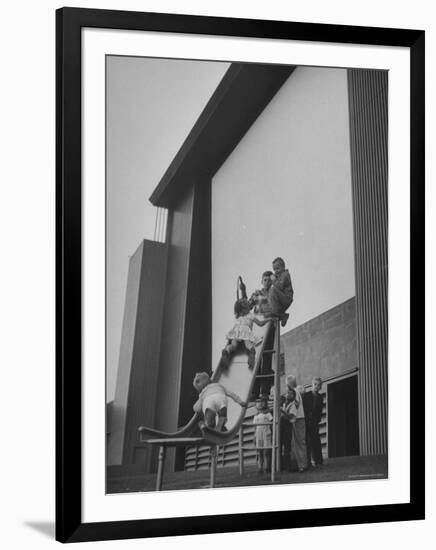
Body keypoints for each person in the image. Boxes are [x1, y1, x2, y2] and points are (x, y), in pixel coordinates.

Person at [220, 298, 269, 370]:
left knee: (233, 345)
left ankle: (227, 350)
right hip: (245, 332)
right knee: (248, 344)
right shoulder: (250, 315)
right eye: (248, 306)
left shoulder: (237, 316)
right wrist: (268, 320)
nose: (249, 307)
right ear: (245, 309)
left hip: (237, 331)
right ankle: (252, 351)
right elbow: (260, 324)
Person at [286, 374, 307, 472]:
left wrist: (287, 409)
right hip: (299, 418)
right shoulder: (297, 392)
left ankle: (302, 465)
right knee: (297, 442)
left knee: (299, 442)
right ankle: (299, 464)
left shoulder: (295, 392)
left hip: (298, 418)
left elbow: (296, 404)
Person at [303, 377, 324, 468]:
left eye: (318, 385)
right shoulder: (306, 395)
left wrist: (317, 420)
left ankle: (318, 460)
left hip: (314, 422)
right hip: (306, 421)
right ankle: (308, 462)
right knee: (307, 442)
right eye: (315, 384)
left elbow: (320, 410)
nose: (316, 386)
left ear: (320, 387)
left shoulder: (320, 397)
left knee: (316, 441)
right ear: (312, 385)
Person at [269, 257, 294, 327]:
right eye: (274, 269)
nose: (276, 271)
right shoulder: (279, 276)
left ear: (283, 267)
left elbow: (279, 286)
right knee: (271, 297)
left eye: (277, 268)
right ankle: (283, 316)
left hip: (286, 298)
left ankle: (275, 315)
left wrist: (273, 279)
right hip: (282, 299)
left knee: (273, 290)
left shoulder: (285, 274)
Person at [253, 398, 273, 474]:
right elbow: (254, 426)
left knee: (267, 451)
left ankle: (267, 467)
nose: (260, 404)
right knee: (259, 452)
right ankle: (260, 468)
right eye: (258, 402)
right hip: (258, 434)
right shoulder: (256, 415)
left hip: (266, 433)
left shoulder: (267, 413)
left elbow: (272, 422)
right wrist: (254, 436)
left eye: (261, 402)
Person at [279, 389, 297, 471]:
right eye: (287, 393)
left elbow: (291, 416)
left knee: (287, 446)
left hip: (287, 426)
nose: (288, 395)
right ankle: (280, 465)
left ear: (293, 396)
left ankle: (288, 466)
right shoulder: (283, 403)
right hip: (281, 426)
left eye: (291, 394)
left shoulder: (293, 405)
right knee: (279, 445)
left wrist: (283, 412)